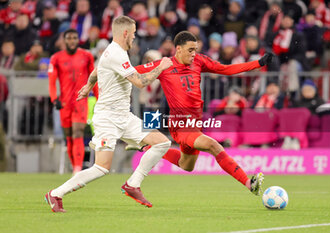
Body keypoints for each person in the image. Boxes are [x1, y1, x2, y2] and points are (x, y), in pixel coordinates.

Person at [45, 16, 173, 212]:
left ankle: (133, 184)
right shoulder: (117, 54)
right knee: (102, 168)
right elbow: (139, 82)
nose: (135, 37)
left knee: (162, 142)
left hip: (124, 116)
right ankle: (56, 193)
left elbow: (97, 70)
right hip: (108, 119)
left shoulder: (113, 52)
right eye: (134, 33)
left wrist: (88, 85)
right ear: (125, 33)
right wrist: (160, 67)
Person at [135, 31, 272, 196]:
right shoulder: (164, 65)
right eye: (190, 50)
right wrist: (105, 73)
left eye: (196, 49)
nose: (194, 54)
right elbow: (132, 72)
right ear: (178, 49)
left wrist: (257, 63)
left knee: (186, 165)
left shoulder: (199, 60)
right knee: (213, 146)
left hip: (195, 124)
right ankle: (250, 184)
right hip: (180, 124)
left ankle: (147, 147)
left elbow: (226, 69)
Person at [48, 29, 98, 174]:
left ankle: (77, 169)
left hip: (80, 101)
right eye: (69, 38)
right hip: (64, 103)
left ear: (78, 40)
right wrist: (54, 98)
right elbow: (52, 82)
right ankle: (74, 165)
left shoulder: (87, 56)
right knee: (69, 137)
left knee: (78, 133)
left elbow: (94, 79)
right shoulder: (56, 58)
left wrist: (98, 98)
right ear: (64, 40)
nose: (72, 41)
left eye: (74, 38)